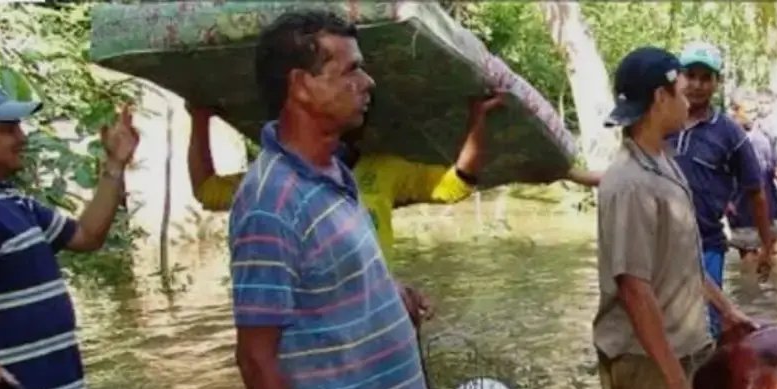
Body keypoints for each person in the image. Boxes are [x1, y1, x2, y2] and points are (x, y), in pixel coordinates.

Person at [229, 10, 460, 389]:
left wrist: (390, 294)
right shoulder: (269, 202)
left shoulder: (332, 171)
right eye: (351, 70)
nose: (368, 83)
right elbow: (257, 358)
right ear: (302, 85)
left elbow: (329, 278)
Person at [595, 46, 757, 389]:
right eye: (682, 92)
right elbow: (633, 289)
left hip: (682, 349)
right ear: (659, 99)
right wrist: (673, 383)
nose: (691, 101)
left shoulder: (665, 163)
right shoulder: (630, 184)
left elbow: (683, 260)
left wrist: (729, 311)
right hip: (648, 363)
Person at [0, 81, 139, 389]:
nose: (21, 137)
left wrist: (115, 165)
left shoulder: (13, 203)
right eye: (7, 127)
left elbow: (87, 235)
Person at [188, 102, 600, 261]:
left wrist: (477, 121)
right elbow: (207, 190)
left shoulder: (383, 170)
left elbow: (458, 183)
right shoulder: (275, 178)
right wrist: (199, 120)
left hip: (377, 306)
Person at [668, 41, 774, 336]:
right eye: (691, 76)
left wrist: (766, 247)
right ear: (678, 77)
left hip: (706, 243)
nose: (697, 85)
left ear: (717, 83)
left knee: (707, 326)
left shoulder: (730, 134)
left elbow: (757, 192)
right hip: (660, 241)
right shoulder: (661, 121)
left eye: (706, 77)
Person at [727, 89, 777, 263]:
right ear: (734, 110)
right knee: (750, 263)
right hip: (742, 210)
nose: (754, 116)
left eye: (756, 111)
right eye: (748, 112)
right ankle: (750, 291)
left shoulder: (766, 131)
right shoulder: (724, 135)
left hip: (772, 205)